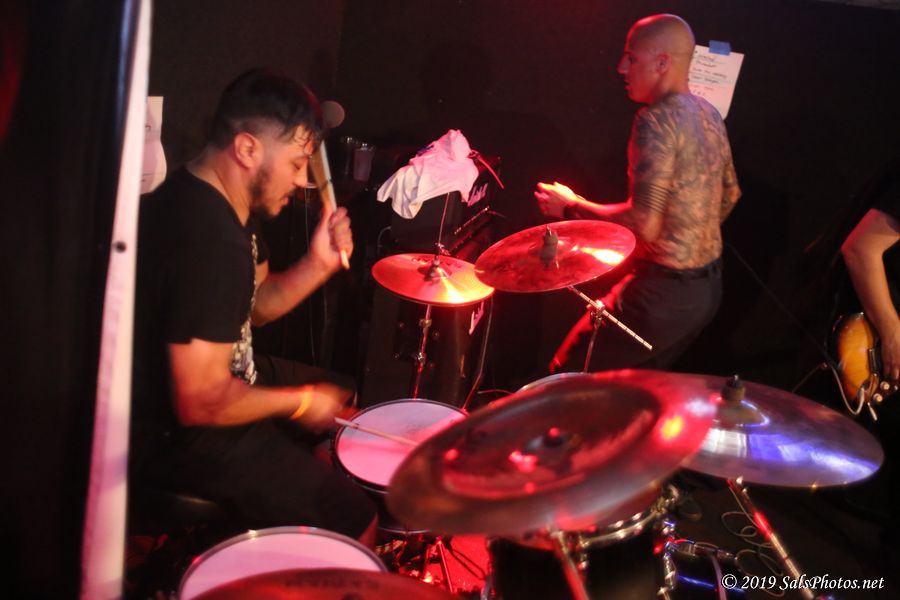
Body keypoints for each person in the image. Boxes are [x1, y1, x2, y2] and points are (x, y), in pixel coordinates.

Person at [130, 69, 377, 544]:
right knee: (355, 522)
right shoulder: (208, 242)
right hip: (172, 431)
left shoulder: (221, 197)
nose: (303, 180)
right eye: (297, 163)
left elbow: (256, 307)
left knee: (344, 396)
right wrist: (300, 402)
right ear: (247, 149)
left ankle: (291, 506)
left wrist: (318, 265)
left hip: (224, 378)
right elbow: (200, 401)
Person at [534, 14, 741, 373]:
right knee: (628, 386)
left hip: (662, 296)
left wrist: (570, 207)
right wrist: (683, 239)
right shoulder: (707, 113)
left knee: (566, 379)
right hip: (706, 292)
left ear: (662, 63)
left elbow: (643, 222)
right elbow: (730, 195)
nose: (621, 67)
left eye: (631, 57)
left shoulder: (655, 120)